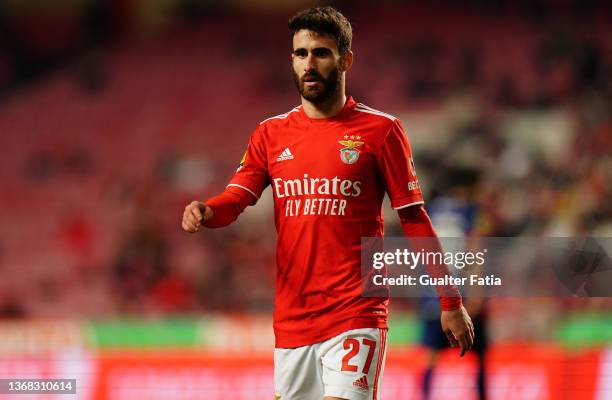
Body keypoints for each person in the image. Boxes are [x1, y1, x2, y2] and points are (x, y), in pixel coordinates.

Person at [182, 6, 474, 400]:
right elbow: (237, 199)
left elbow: (415, 218)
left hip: (357, 311)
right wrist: (208, 210)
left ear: (345, 59)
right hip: (292, 321)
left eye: (320, 52)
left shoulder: (382, 131)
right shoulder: (270, 134)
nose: (309, 64)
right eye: (300, 54)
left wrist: (450, 300)